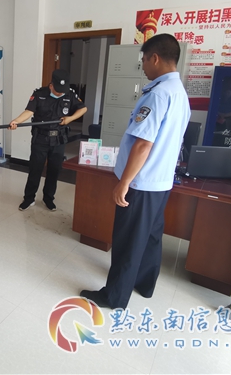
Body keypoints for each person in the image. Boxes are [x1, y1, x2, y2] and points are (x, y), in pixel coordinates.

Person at [80, 34, 190, 309]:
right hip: (161, 181)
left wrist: (124, 182)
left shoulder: (158, 94)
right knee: (151, 236)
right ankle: (144, 283)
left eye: (144, 60)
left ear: (155, 58)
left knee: (128, 240)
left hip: (142, 182)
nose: (143, 66)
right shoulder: (179, 92)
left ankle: (114, 297)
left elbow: (143, 144)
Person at [10, 69, 87, 211]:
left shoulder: (69, 94)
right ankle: (29, 198)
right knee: (35, 169)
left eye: (62, 91)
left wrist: (70, 118)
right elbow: (29, 111)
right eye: (58, 91)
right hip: (40, 138)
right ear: (51, 85)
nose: (60, 93)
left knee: (54, 170)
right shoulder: (39, 94)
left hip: (59, 139)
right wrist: (16, 121)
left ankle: (48, 198)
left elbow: (83, 109)